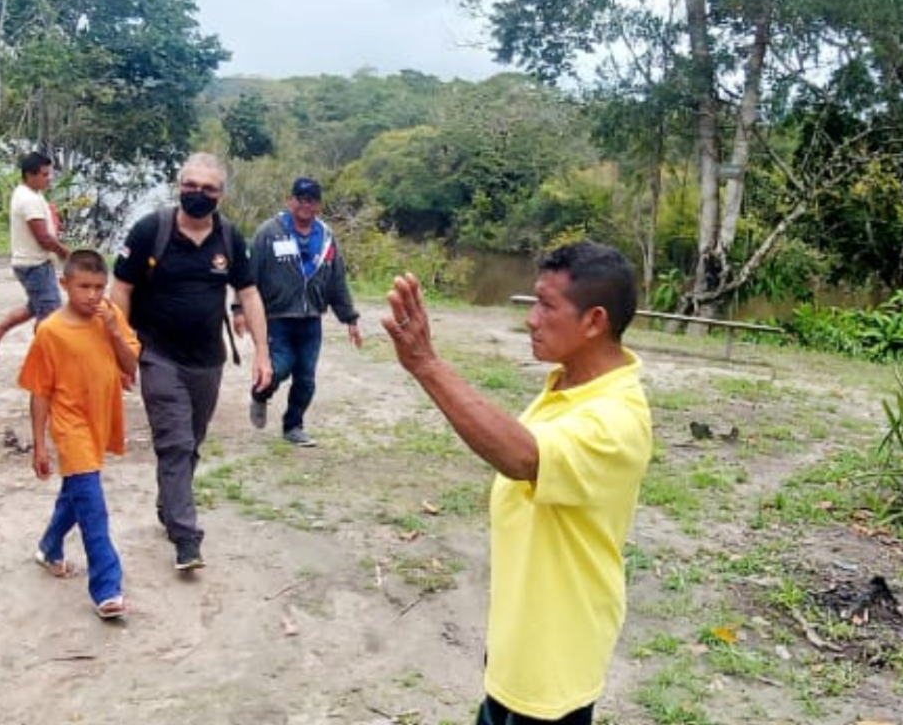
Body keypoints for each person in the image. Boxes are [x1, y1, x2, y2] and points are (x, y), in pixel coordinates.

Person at [382, 241, 652, 725]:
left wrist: (427, 365)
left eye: (547, 306)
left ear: (593, 322)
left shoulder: (618, 418)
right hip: (518, 650)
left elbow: (522, 456)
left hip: (554, 666)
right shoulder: (568, 384)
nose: (531, 319)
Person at [109, 152, 271, 570]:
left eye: (209, 189)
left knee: (191, 442)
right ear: (179, 186)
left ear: (221, 195)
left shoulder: (230, 238)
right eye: (191, 186)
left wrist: (262, 355)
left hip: (207, 361)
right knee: (175, 442)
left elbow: (249, 294)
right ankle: (186, 537)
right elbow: (121, 289)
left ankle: (170, 506)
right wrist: (120, 350)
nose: (198, 194)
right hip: (157, 353)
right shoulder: (152, 230)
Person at [20, 249, 138, 620]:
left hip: (100, 418)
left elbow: (130, 364)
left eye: (99, 287)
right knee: (93, 505)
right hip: (69, 425)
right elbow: (39, 391)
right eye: (83, 286)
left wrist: (116, 331)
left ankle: (49, 547)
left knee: (77, 492)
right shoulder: (50, 330)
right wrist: (40, 443)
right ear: (64, 284)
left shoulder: (110, 316)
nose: (92, 295)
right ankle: (107, 587)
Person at [242, 177, 362, 448]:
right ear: (290, 200)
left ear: (318, 205)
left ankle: (293, 426)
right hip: (275, 318)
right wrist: (240, 310)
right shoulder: (269, 232)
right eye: (301, 199)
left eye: (312, 200)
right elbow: (249, 277)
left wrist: (350, 318)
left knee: (306, 378)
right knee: (278, 368)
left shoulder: (326, 237)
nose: (306, 205)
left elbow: (337, 281)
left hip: (310, 321)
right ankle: (260, 395)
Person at [0, 151, 71, 359]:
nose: (49, 179)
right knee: (50, 314)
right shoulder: (28, 199)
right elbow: (43, 238)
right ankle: (45, 356)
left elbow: (46, 230)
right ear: (30, 175)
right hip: (35, 265)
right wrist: (66, 253)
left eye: (49, 174)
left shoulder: (30, 193)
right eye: (45, 175)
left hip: (31, 262)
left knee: (34, 307)